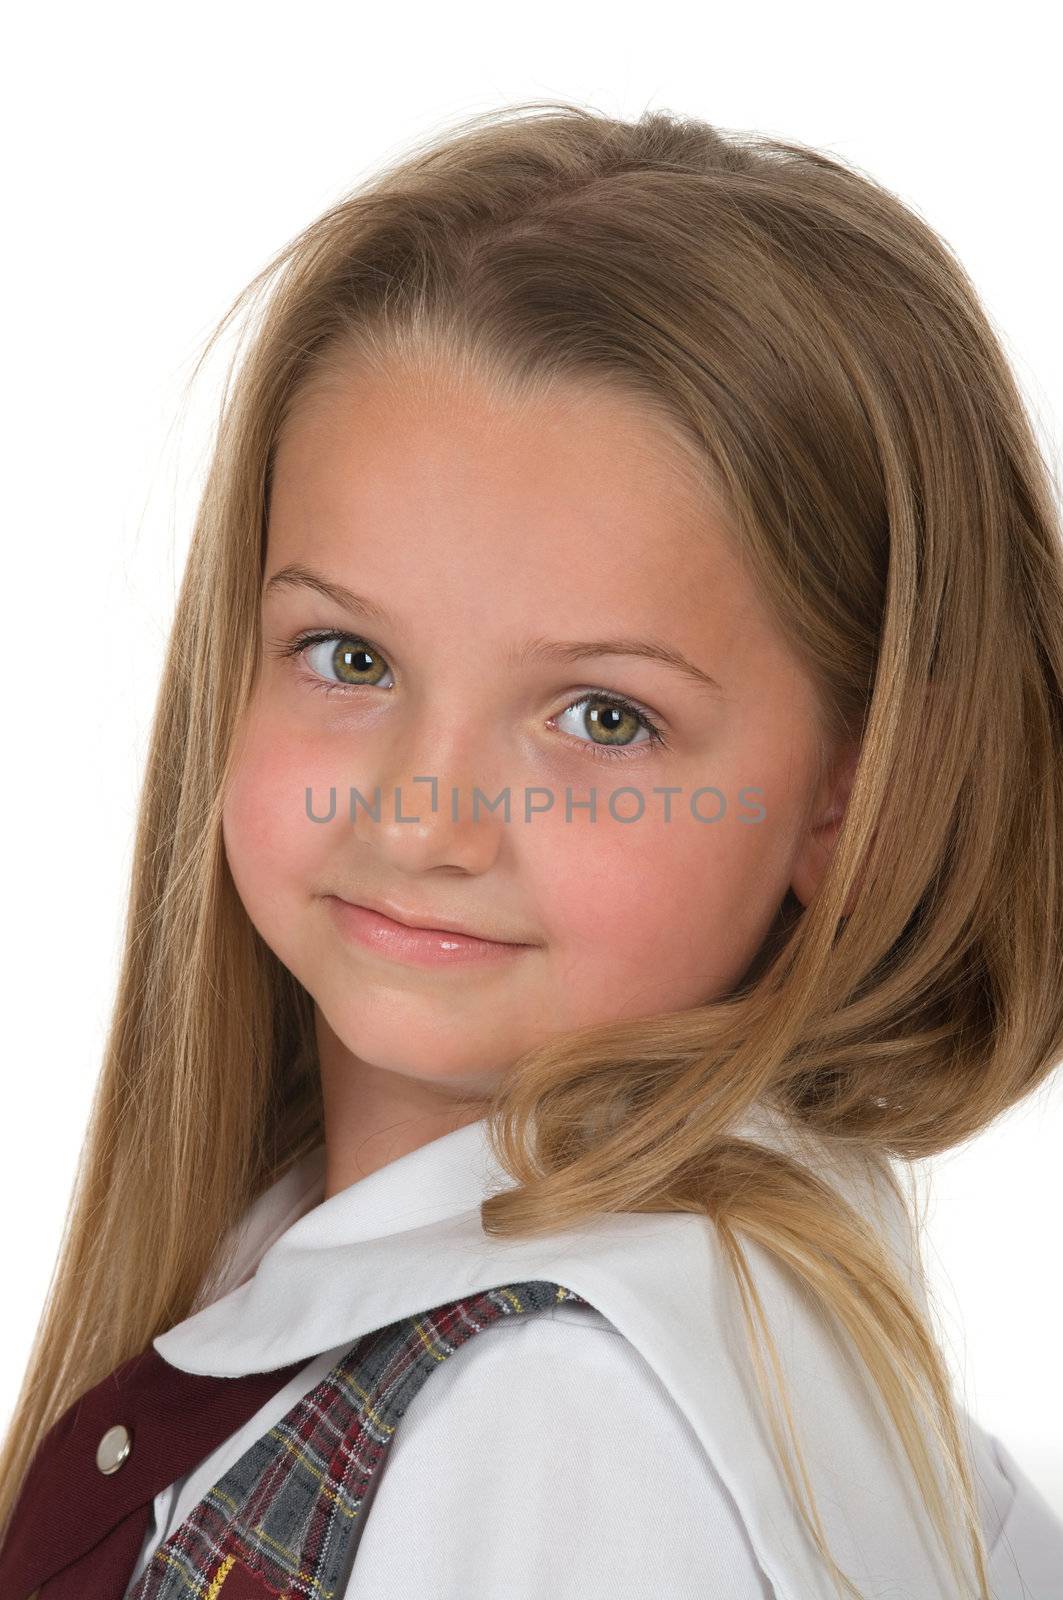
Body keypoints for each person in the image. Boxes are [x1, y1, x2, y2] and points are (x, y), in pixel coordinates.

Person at [1, 99, 1061, 1600]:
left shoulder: (566, 1414)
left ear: (857, 793)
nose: (423, 817)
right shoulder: (376, 1279)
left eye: (602, 718)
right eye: (348, 657)